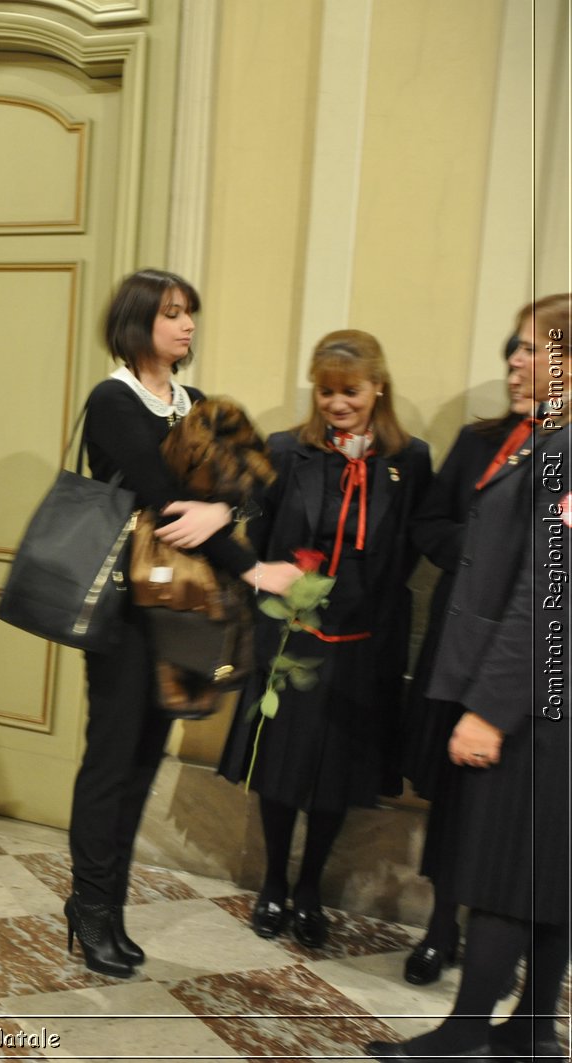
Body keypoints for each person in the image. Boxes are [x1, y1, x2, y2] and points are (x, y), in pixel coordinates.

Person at [68, 270, 301, 978]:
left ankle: (110, 908)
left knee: (146, 758)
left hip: (185, 607)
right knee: (111, 759)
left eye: (191, 314)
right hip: (126, 611)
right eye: (172, 314)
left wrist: (225, 513)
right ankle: (90, 905)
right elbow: (169, 500)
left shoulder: (195, 403)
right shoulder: (113, 400)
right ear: (139, 322)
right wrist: (252, 567)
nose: (187, 326)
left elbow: (248, 484)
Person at [367, 297, 569, 1062]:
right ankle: (527, 1033)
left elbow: (549, 596)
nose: (513, 362)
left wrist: (489, 707)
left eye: (528, 350)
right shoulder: (543, 438)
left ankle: (465, 1034)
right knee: (546, 878)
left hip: (534, 709)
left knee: (501, 871)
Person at [218, 330, 431, 949]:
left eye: (351, 391)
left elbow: (414, 548)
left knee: (338, 773)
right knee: (283, 769)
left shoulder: (410, 459)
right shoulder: (286, 451)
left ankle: (311, 888)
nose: (338, 403)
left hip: (365, 644)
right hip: (292, 638)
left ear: (378, 387)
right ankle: (274, 885)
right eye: (327, 391)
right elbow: (251, 536)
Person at [398, 334, 530, 986]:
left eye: (529, 351)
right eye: (511, 351)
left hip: (526, 650)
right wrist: (477, 551)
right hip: (459, 635)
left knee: (507, 803)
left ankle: (496, 945)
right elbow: (428, 522)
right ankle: (440, 925)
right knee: (451, 792)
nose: (513, 364)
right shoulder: (481, 440)